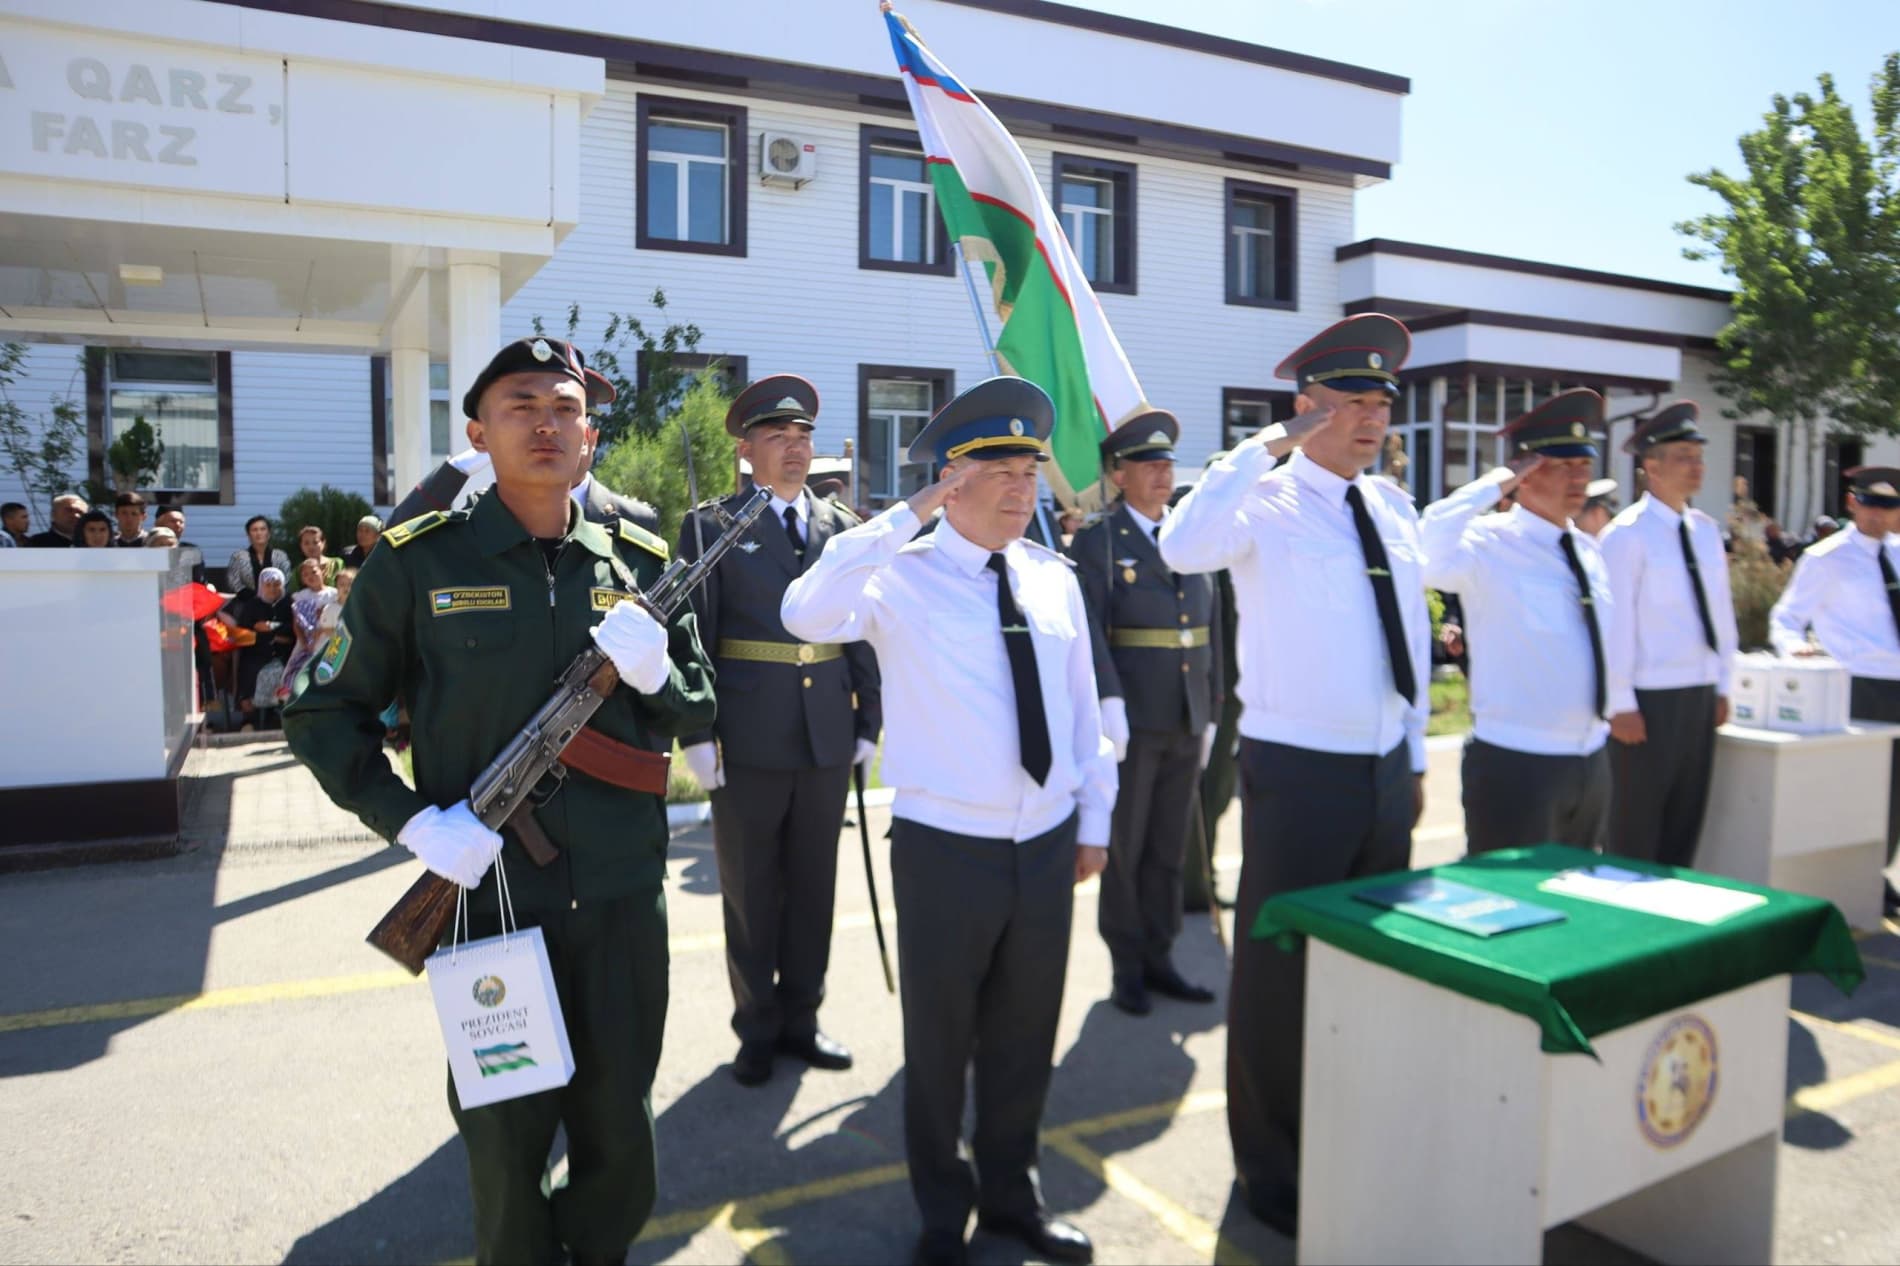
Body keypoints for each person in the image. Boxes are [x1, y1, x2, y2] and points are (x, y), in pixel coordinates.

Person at [285, 335, 715, 1266]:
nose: (546, 424)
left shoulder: (639, 557)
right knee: (504, 1136)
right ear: (478, 433)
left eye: (565, 408)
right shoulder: (415, 564)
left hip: (619, 899)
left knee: (621, 1133)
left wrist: (658, 675)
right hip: (487, 902)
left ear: (591, 438)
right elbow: (323, 713)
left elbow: (700, 703)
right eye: (521, 406)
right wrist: (410, 825)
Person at [783, 376, 1111, 1266]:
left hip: (1043, 846)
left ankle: (1014, 1197)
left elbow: (1084, 716)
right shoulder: (897, 578)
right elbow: (802, 610)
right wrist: (900, 517)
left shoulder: (1053, 579)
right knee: (940, 1045)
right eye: (996, 468)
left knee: (1023, 1038)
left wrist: (1096, 822)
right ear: (949, 480)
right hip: (945, 852)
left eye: (1028, 469)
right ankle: (942, 1213)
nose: (1020, 486)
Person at [1160, 313, 1428, 1241]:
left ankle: (1349, 1139)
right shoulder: (1260, 502)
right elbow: (1180, 545)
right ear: (1306, 407)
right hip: (1298, 772)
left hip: (1384, 770)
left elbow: (1416, 643)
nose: (1370, 416)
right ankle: (1270, 1170)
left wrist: (1419, 751)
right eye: (1351, 399)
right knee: (1279, 980)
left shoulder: (1390, 508)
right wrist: (1263, 447)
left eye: (1381, 400)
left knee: (1366, 972)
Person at [676, 374, 882, 1087]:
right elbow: (693, 632)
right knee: (751, 889)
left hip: (826, 729)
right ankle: (756, 1027)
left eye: (803, 437)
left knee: (814, 886)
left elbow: (860, 630)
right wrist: (696, 733)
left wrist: (870, 717)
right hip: (748, 733)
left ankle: (803, 1016)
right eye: (777, 437)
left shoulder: (844, 528)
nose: (794, 449)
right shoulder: (711, 526)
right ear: (745, 448)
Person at [1421, 389, 1623, 855]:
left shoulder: (1588, 551)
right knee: (1508, 910)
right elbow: (1427, 551)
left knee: (1575, 906)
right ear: (1525, 476)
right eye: (1561, 466)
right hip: (1517, 762)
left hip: (1591, 758)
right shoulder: (1486, 543)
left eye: (1584, 466)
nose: (1579, 478)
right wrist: (1493, 485)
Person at [1068, 412, 1221, 1015]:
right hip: (1132, 716)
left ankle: (1162, 956)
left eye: (1167, 463)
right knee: (1125, 846)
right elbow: (1092, 634)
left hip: (1187, 713)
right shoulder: (1099, 542)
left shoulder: (1191, 538)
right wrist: (1107, 704)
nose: (1163, 473)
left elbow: (1215, 628)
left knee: (1168, 846)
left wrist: (1213, 706)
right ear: (1118, 474)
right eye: (1148, 464)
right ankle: (1126, 964)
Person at [1598, 402, 1738, 867]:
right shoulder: (1626, 535)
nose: (1696, 466)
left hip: (1697, 693)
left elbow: (1720, 615)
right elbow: (1614, 625)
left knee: (1686, 816)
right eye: (1683, 456)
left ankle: (1674, 913)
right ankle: (1628, 920)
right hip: (1648, 699)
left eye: (1699, 456)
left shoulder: (1704, 530)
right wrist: (1619, 703)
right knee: (1635, 823)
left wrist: (1722, 684)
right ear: (1650, 467)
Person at [1770, 466, 1900, 915]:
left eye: (1890, 506)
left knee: (1896, 794)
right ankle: (1849, 881)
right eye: (1871, 504)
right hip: (1857, 685)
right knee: (1859, 791)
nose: (1880, 515)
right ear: (1852, 503)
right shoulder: (1826, 557)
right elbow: (1786, 618)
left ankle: (1876, 876)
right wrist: (1797, 652)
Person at [573, 367, 662, 534]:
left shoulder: (637, 521)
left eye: (568, 415)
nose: (551, 432)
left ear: (591, 438)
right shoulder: (510, 518)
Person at [219, 567, 294, 728]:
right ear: (261, 586)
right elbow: (246, 630)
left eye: (276, 584)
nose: (273, 588)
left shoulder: (289, 602)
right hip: (256, 651)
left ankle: (280, 714)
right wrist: (275, 636)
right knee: (249, 670)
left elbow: (293, 628)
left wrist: (270, 627)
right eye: (268, 585)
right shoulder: (253, 604)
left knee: (287, 672)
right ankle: (250, 719)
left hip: (285, 652)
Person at [279, 558, 338, 693]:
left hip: (328, 637)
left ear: (322, 572)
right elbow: (297, 624)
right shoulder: (301, 596)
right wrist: (304, 642)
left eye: (313, 572)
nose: (310, 577)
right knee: (298, 669)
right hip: (307, 639)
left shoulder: (333, 594)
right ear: (302, 579)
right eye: (305, 575)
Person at [228, 516, 291, 592]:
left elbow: (286, 579)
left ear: (269, 533)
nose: (259, 533)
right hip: (247, 600)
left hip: (276, 599)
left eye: (263, 529)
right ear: (248, 535)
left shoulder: (280, 556)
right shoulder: (238, 557)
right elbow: (234, 581)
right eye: (254, 530)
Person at [155, 505, 206, 584]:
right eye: (173, 521)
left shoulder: (191, 552)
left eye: (181, 522)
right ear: (158, 524)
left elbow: (199, 583)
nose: (178, 525)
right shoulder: (147, 549)